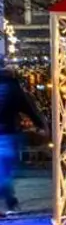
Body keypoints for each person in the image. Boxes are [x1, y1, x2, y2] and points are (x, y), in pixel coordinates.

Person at [0, 67, 44, 216]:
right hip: (6, 134)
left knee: (3, 172)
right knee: (5, 172)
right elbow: (28, 108)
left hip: (6, 134)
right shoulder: (13, 87)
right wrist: (40, 125)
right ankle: (10, 202)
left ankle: (9, 201)